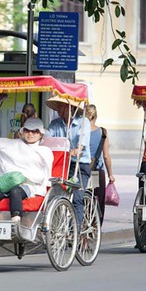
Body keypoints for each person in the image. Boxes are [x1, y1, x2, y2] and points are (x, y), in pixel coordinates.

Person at [46, 95, 91, 228]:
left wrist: (76, 150)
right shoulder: (55, 124)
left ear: (70, 107)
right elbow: (47, 140)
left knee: (77, 198)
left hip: (79, 165)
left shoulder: (84, 122)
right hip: (61, 164)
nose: (59, 109)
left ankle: (75, 230)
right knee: (52, 194)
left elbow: (82, 144)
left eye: (61, 106)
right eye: (58, 106)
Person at [85, 105, 115, 225]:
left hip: (81, 170)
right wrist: (110, 174)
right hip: (96, 172)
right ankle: (95, 228)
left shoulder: (79, 131)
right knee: (97, 201)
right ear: (96, 116)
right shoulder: (102, 132)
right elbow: (106, 156)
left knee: (81, 200)